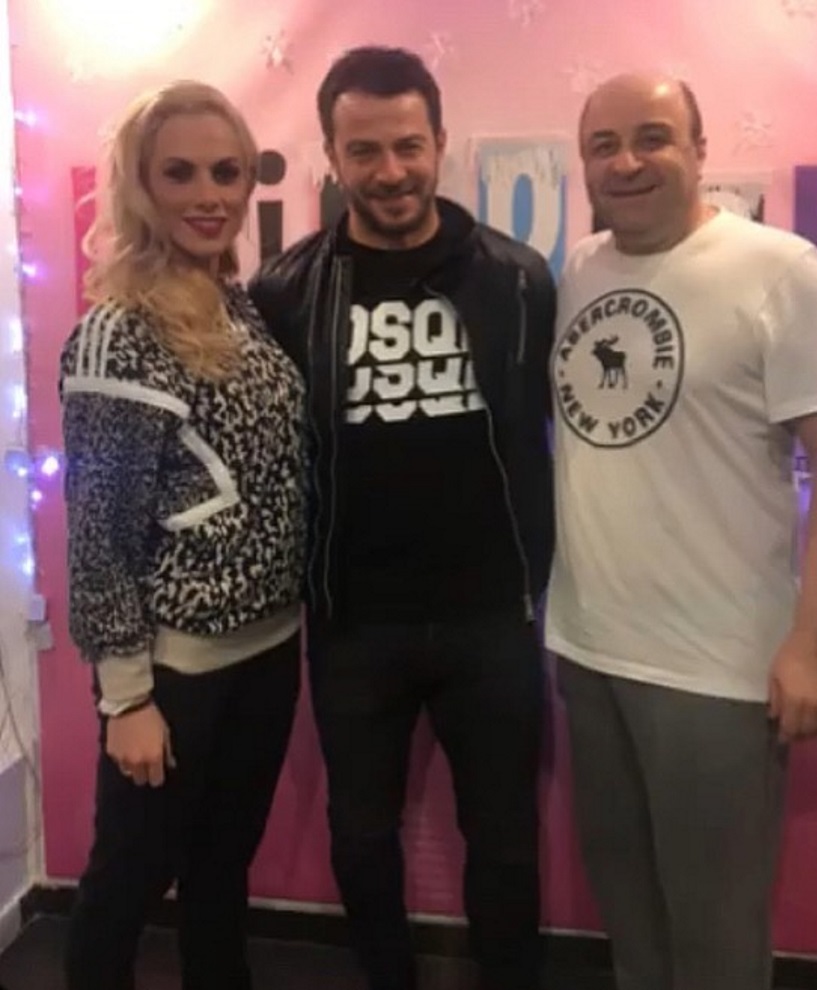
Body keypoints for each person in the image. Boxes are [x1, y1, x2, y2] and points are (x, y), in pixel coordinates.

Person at [250, 46, 555, 990]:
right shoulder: (285, 292)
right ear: (332, 156)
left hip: (491, 616)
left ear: (440, 144)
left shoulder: (518, 279)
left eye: (408, 146)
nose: (390, 172)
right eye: (365, 150)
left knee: (504, 838)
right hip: (354, 622)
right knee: (361, 834)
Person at [547, 71, 817, 990]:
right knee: (632, 923)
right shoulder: (582, 269)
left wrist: (816, 643)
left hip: (716, 670)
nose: (627, 162)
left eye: (652, 137)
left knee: (717, 940)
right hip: (589, 652)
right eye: (604, 145)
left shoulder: (778, 270)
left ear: (699, 149)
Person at [60, 80, 306, 990]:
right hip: (174, 672)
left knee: (220, 871)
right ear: (140, 185)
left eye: (226, 173)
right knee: (126, 882)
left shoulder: (239, 306)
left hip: (268, 649)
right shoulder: (117, 333)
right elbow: (99, 533)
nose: (209, 195)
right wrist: (126, 699)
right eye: (181, 174)